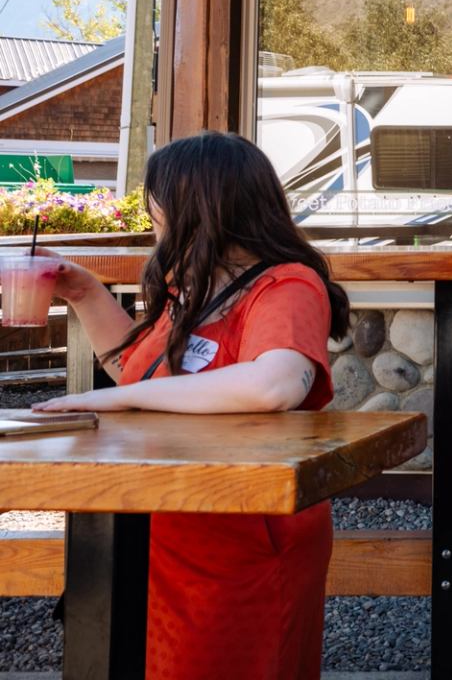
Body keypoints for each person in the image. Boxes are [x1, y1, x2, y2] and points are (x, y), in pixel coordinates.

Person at [32, 131, 349, 680]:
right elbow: (149, 376)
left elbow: (273, 386)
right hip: (160, 525)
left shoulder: (286, 285)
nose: (152, 211)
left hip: (241, 536)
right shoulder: (194, 285)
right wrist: (85, 295)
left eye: (159, 197)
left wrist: (116, 399)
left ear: (200, 202)